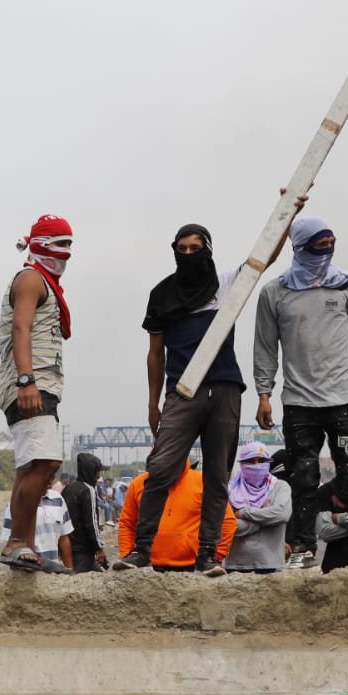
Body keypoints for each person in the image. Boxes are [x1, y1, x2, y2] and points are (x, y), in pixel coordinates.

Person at [118, 216, 294, 574]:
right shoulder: (162, 294)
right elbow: (155, 353)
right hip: (181, 393)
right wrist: (154, 403)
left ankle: (209, 553)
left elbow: (266, 258)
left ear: (208, 251)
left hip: (225, 389)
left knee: (216, 476)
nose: (187, 254)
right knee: (161, 469)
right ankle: (141, 550)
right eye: (181, 250)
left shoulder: (227, 283)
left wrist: (288, 216)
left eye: (194, 249)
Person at [253, 216, 348, 568]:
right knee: (304, 477)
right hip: (298, 404)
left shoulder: (347, 286)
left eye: (330, 244)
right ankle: (303, 549)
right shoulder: (274, 293)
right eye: (317, 246)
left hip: (345, 399)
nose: (324, 252)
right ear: (298, 248)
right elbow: (266, 347)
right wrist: (263, 392)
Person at [0, 214, 74, 572]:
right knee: (46, 463)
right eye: (59, 243)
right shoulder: (31, 278)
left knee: (30, 464)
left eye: (69, 243)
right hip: (31, 383)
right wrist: (26, 381)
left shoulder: (45, 281)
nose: (66, 252)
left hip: (42, 383)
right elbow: (21, 325)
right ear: (39, 243)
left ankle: (21, 545)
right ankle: (17, 542)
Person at [118, 458, 237, 573]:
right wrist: (128, 556)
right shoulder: (138, 484)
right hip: (148, 568)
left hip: (193, 568)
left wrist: (214, 557)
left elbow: (227, 521)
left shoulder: (203, 482)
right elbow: (127, 523)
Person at [223, 442, 292, 574]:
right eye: (250, 461)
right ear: (242, 463)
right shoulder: (230, 490)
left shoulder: (280, 487)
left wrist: (242, 513)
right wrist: (263, 521)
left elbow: (282, 514)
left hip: (270, 564)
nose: (256, 465)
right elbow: (227, 524)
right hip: (235, 565)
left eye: (261, 460)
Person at [62, 453, 107, 573]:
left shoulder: (68, 488)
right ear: (91, 472)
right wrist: (99, 548)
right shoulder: (88, 490)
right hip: (83, 549)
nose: (98, 476)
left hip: (67, 546)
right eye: (97, 472)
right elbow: (91, 522)